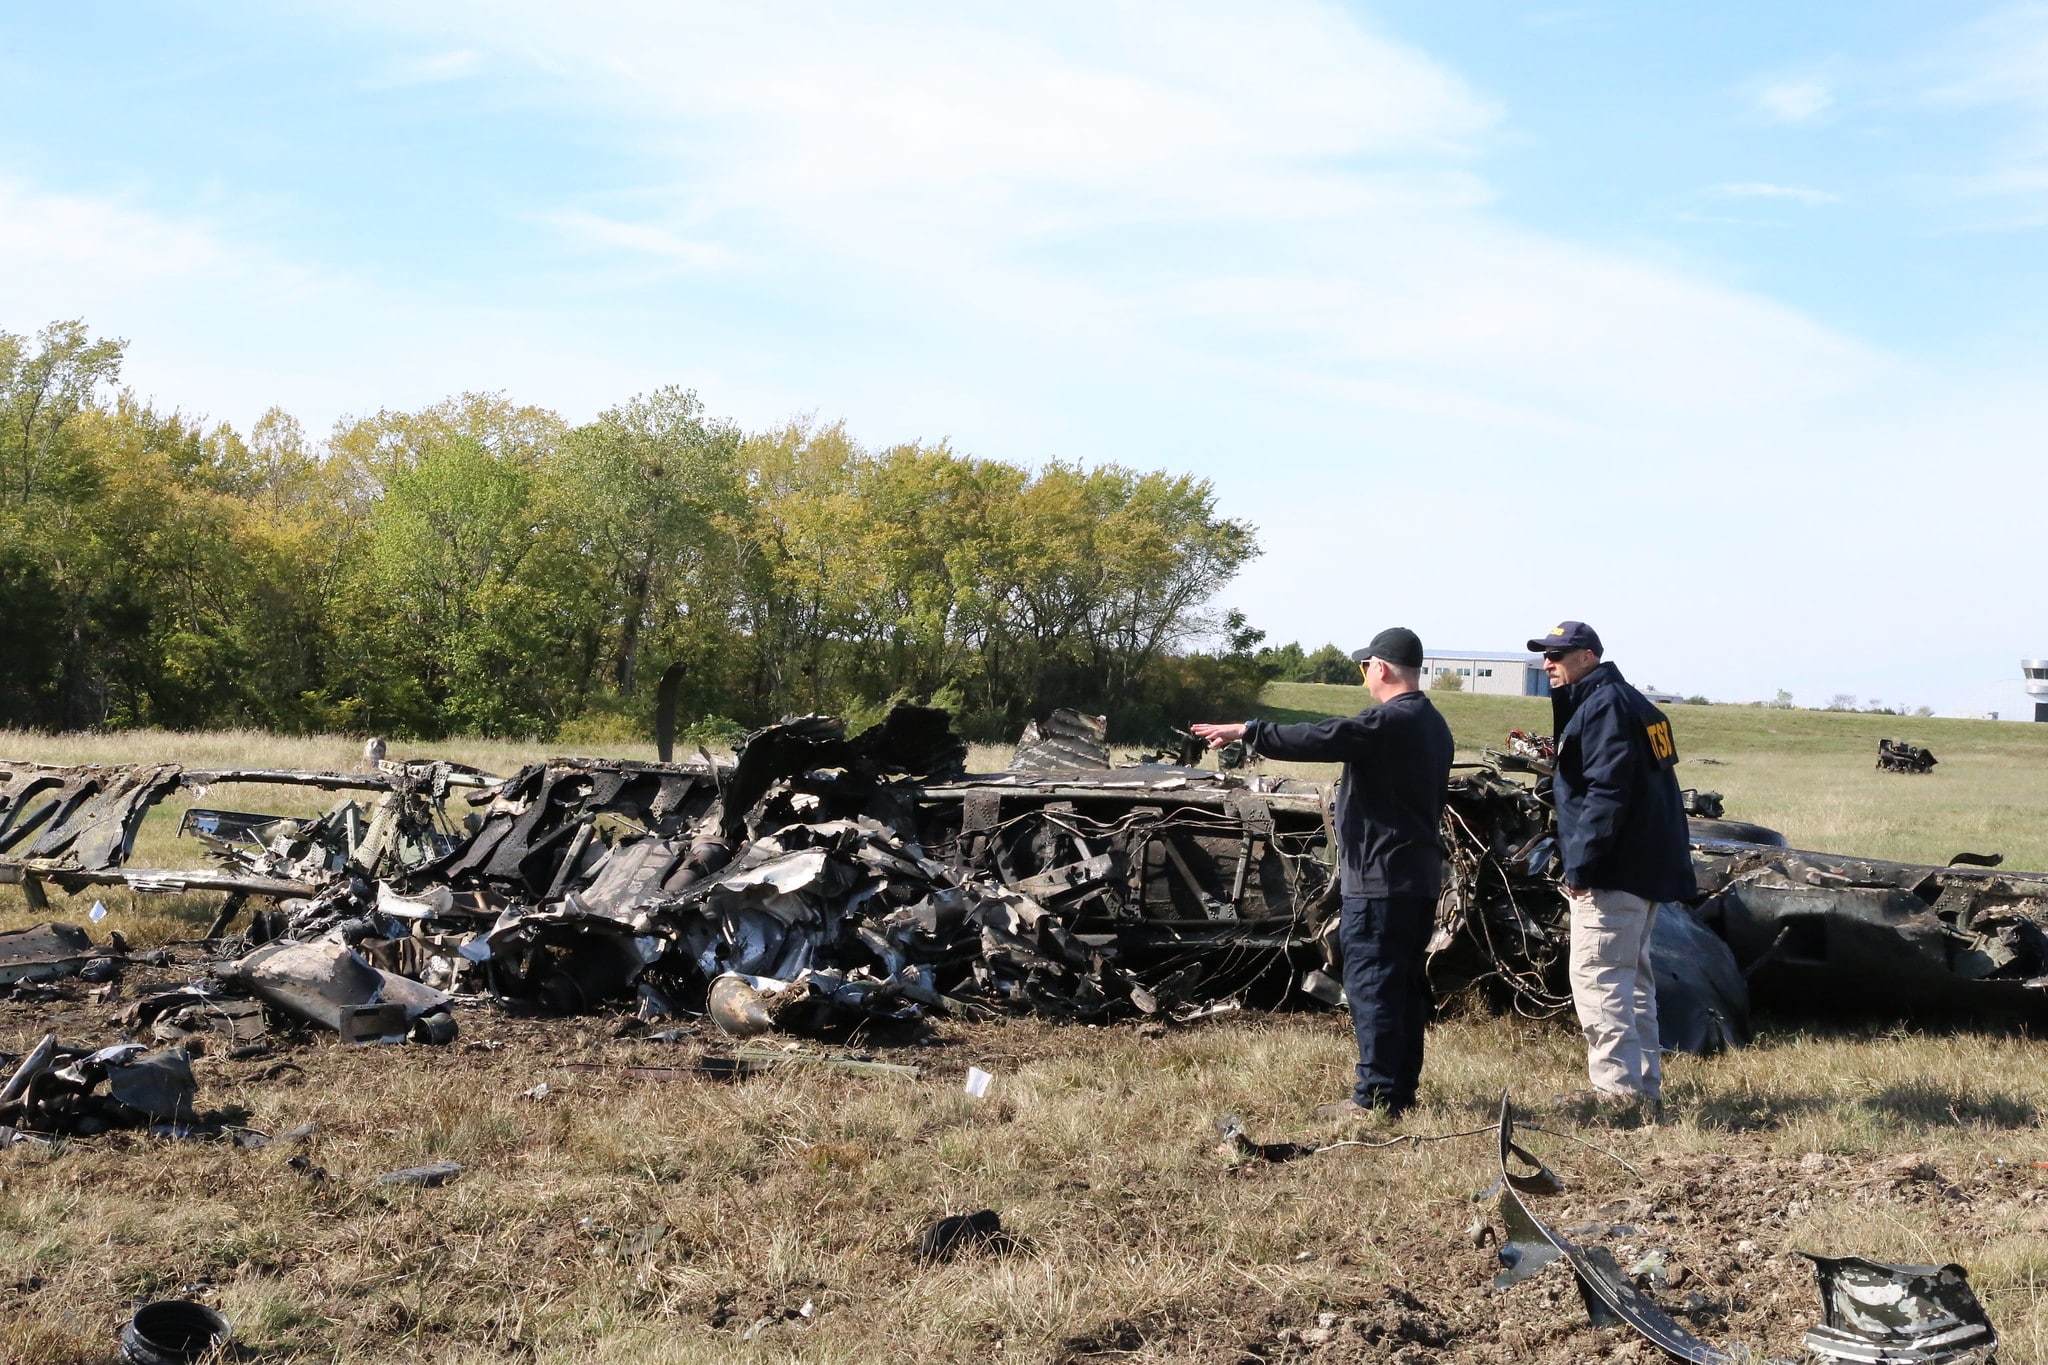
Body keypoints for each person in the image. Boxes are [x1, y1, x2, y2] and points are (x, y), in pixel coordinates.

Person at [1193, 626, 1453, 1120]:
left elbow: (1327, 735)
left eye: (1364, 668)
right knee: (1401, 988)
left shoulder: (1389, 721)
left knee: (1373, 984)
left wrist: (1251, 731)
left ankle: (1373, 1098)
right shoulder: (1432, 723)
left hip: (1380, 881)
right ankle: (1398, 1092)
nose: (1365, 677)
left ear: (1380, 668)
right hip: (1415, 879)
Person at [1527, 620, 1696, 1120]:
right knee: (1632, 981)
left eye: (1558, 654)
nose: (1548, 664)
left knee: (1599, 978)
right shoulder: (1634, 705)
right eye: (1545, 655)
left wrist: (1581, 866)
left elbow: (1608, 793)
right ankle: (1641, 1091)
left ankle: (1616, 1098)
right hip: (1642, 869)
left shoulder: (1603, 707)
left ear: (1589, 656)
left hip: (1613, 871)